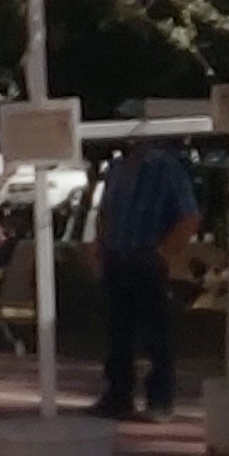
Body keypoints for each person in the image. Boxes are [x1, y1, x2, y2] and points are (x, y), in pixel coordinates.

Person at [90, 135, 197, 421]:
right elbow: (106, 213)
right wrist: (101, 246)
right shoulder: (116, 168)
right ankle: (118, 395)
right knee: (118, 332)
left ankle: (159, 400)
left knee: (156, 334)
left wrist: (162, 252)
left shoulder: (167, 167)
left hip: (146, 257)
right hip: (117, 256)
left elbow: (189, 216)